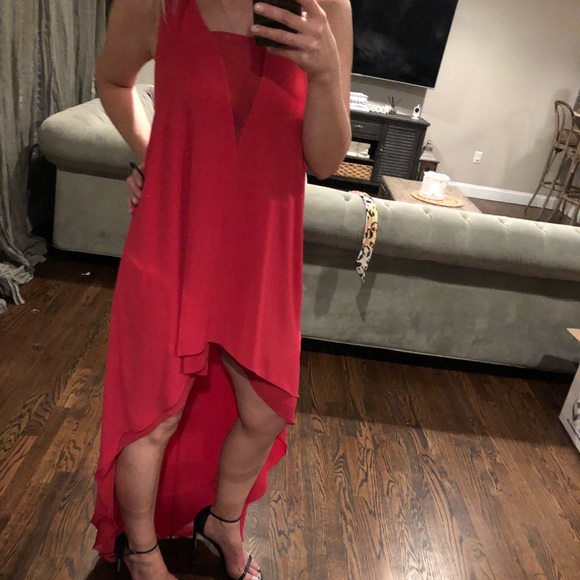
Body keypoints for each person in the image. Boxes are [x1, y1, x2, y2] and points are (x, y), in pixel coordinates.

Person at [91, 0, 352, 578]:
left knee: (266, 409)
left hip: (260, 251)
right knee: (151, 415)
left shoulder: (327, 7)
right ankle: (142, 554)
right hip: (173, 236)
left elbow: (326, 160)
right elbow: (112, 80)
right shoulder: (157, 4)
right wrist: (158, 156)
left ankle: (222, 522)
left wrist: (326, 71)